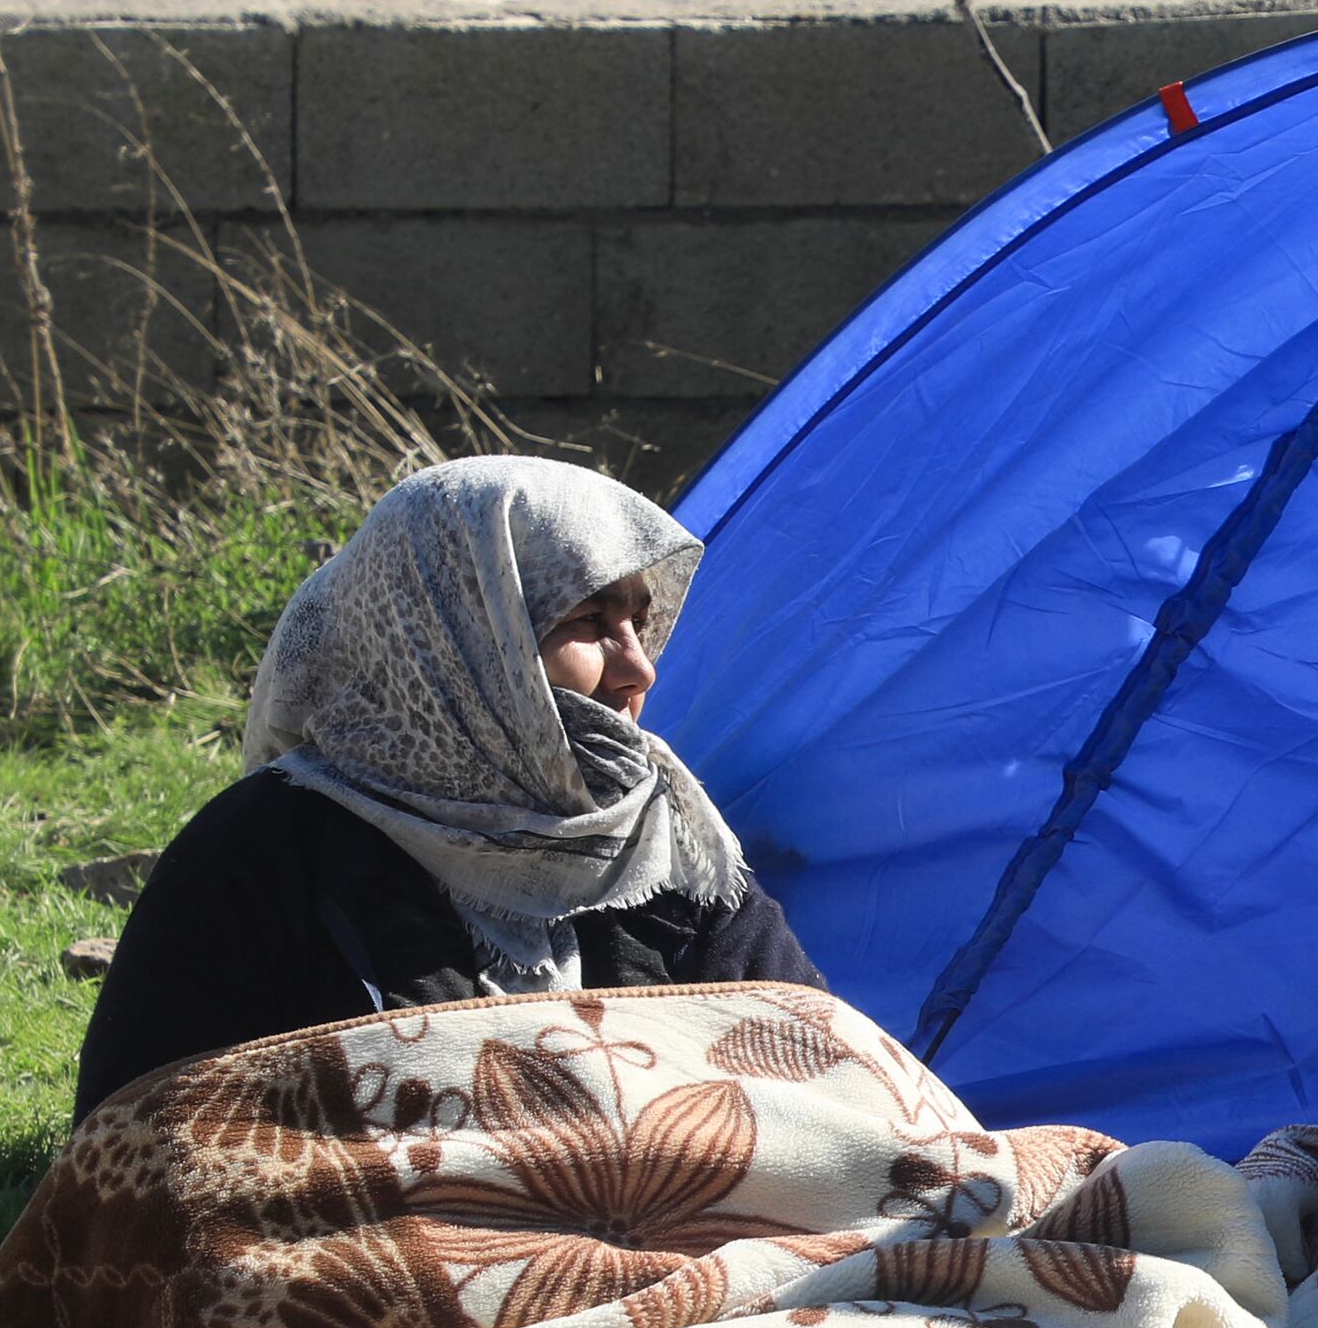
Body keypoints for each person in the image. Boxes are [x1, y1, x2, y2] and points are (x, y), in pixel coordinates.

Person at [75, 457, 822, 1116]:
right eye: (592, 620)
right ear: (460, 636)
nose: (639, 669)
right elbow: (148, 1151)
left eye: (641, 620)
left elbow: (826, 1072)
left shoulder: (664, 839)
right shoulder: (265, 854)